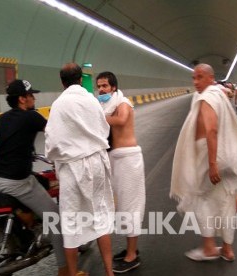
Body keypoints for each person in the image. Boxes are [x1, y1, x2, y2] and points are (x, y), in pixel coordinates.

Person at [170, 64, 237, 262]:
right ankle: (228, 250)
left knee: (201, 198)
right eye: (193, 78)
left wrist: (212, 164)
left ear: (211, 78)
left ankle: (209, 248)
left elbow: (212, 130)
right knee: (227, 199)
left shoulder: (207, 98)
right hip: (226, 154)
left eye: (200, 77)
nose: (196, 82)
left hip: (210, 155)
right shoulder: (220, 95)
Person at [0, 79, 68, 276]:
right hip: (18, 183)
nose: (34, 98)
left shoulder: (1, 119)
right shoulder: (32, 117)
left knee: (38, 182)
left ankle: (10, 238)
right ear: (22, 99)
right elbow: (55, 134)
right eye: (31, 95)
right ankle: (65, 271)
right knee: (55, 218)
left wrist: (21, 149)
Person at [45, 63, 115, 276]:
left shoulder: (59, 104)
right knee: (100, 215)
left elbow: (53, 140)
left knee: (71, 222)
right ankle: (110, 272)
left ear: (62, 81)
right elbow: (104, 129)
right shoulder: (91, 100)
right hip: (97, 163)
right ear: (80, 79)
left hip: (74, 168)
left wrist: (54, 156)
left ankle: (74, 273)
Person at [96, 71, 145, 273]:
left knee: (131, 205)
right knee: (122, 206)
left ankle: (132, 255)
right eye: (99, 86)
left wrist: (96, 116)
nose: (101, 90)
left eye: (105, 86)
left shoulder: (122, 102)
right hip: (115, 158)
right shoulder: (106, 106)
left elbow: (122, 119)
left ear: (114, 87)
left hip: (129, 158)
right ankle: (129, 249)